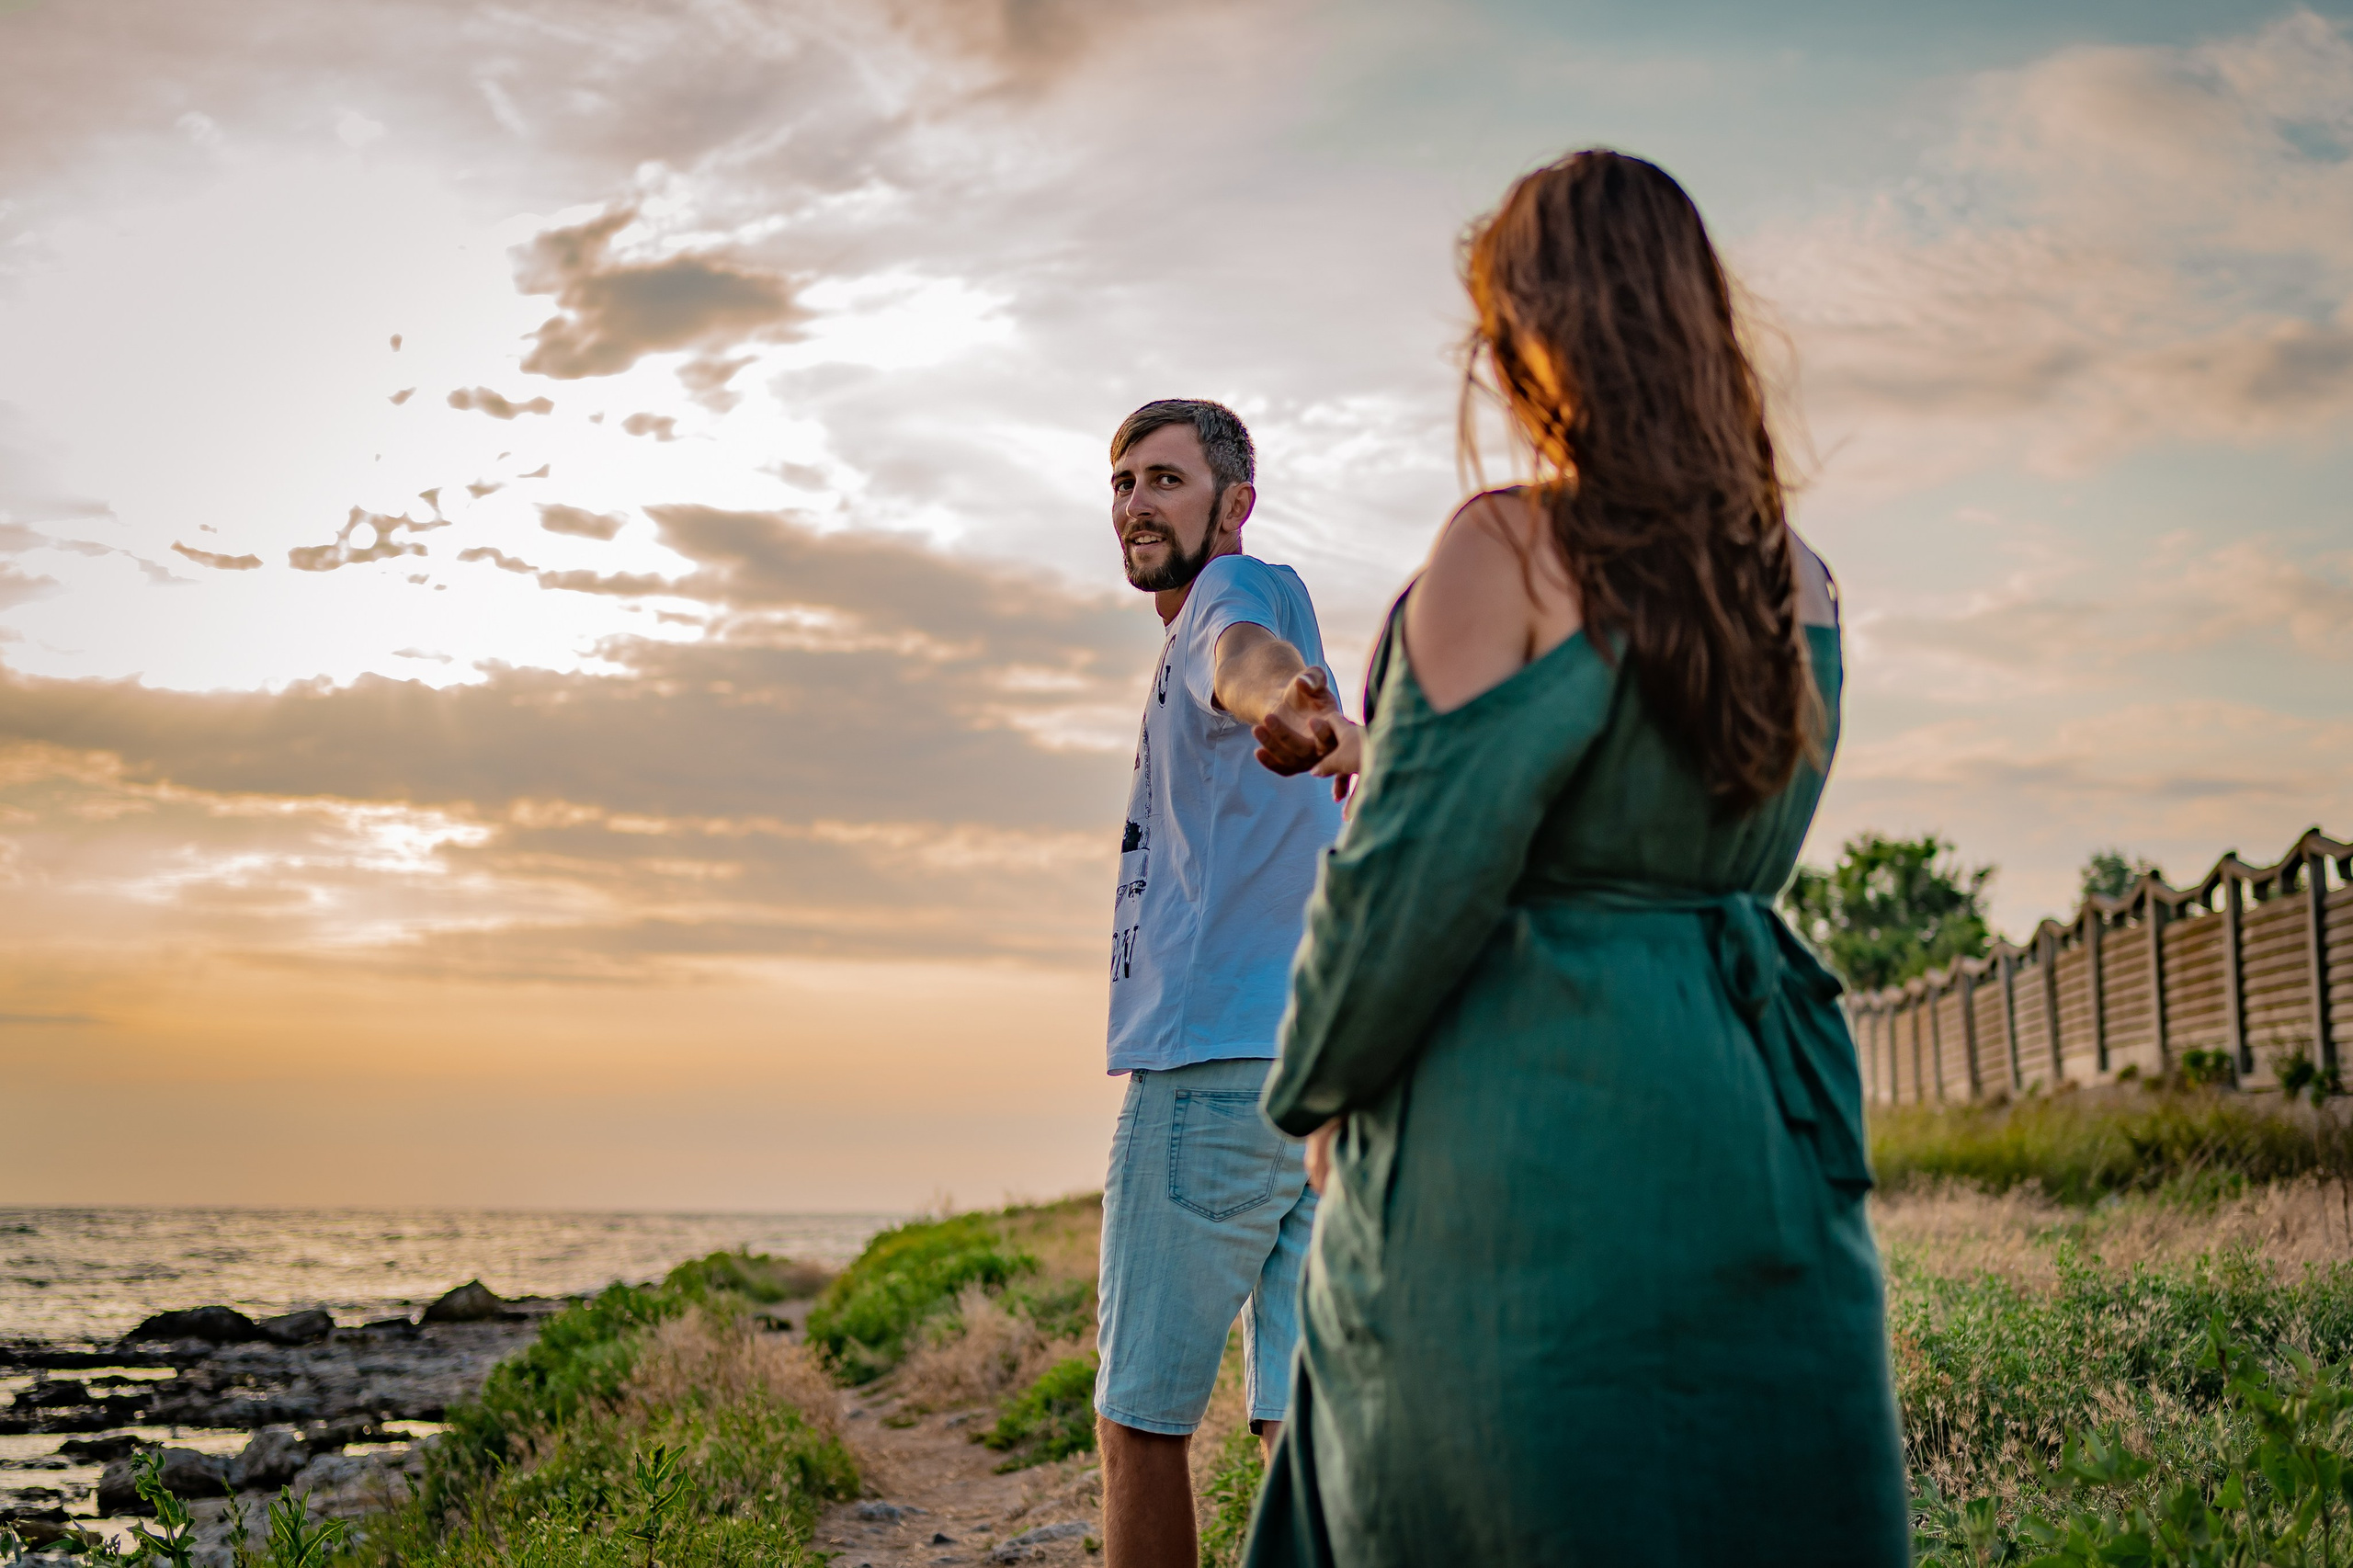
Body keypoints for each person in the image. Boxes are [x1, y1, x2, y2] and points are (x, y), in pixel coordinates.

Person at [1240, 151, 1908, 1565]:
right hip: (1751, 1118)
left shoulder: (1508, 549)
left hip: (1521, 1124)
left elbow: (1408, 883)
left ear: (1537, 336)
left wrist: (1312, 1091)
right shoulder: (1801, 578)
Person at [1094, 398, 1347, 1568]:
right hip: (1322, 1068)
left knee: (1139, 1416)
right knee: (1303, 1422)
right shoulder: (1277, 602)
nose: (1136, 503)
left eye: (1165, 479)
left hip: (1211, 1069)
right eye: (1123, 482)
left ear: (1234, 503)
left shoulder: (1229, 596)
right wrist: (1297, 705)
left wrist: (1276, 700)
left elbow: (1241, 660)